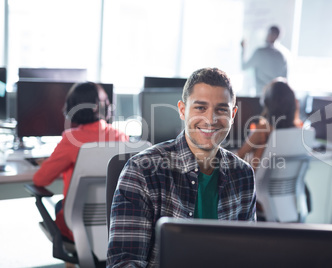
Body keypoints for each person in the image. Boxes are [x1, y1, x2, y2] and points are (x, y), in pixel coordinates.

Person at [107, 67, 256, 267]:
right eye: (200, 108)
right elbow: (125, 262)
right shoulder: (142, 171)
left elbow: (248, 256)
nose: (210, 119)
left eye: (221, 109)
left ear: (233, 114)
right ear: (182, 110)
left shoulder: (243, 174)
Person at [33, 82, 129, 242]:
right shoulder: (121, 137)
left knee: (60, 206)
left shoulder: (71, 139)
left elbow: (40, 180)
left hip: (76, 226)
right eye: (106, 101)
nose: (109, 105)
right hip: (115, 224)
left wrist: (48, 164)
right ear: (95, 107)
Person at [237, 78, 302, 169]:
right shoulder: (299, 134)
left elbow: (235, 160)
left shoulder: (262, 132)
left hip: (258, 182)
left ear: (267, 105)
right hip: (290, 184)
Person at [241, 25, 289, 95]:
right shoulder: (283, 55)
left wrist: (243, 49)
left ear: (274, 35)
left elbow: (244, 66)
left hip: (260, 96)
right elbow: (284, 80)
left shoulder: (260, 52)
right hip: (276, 97)